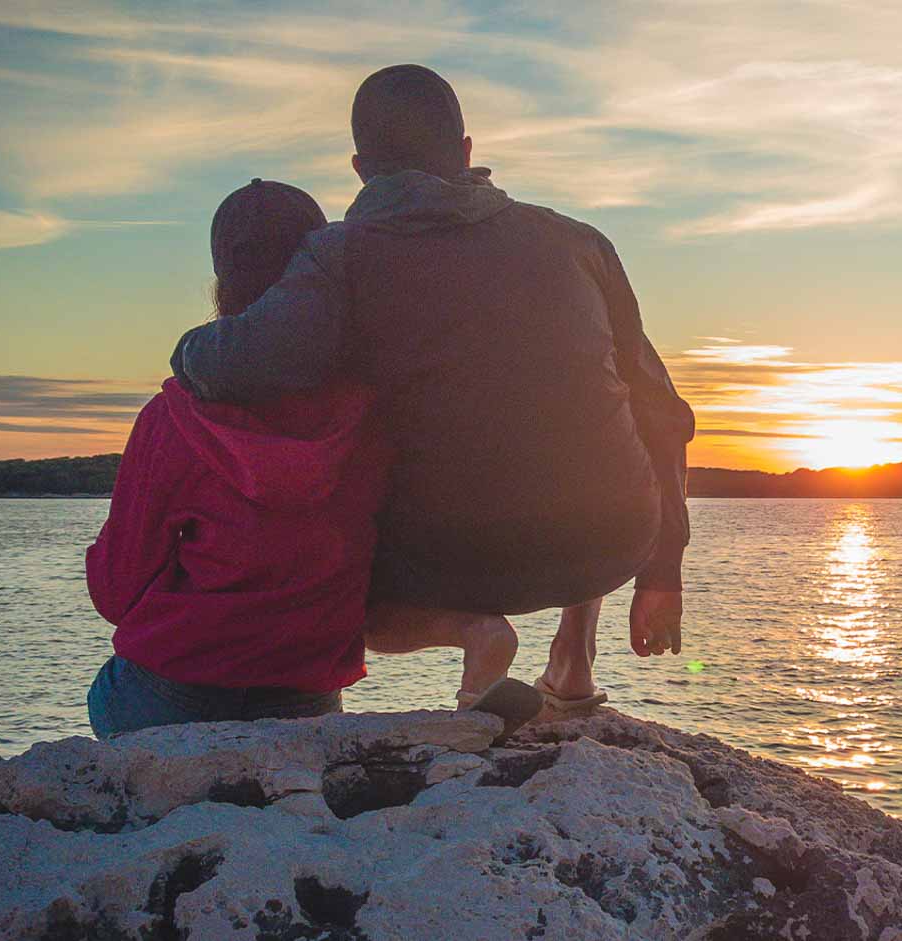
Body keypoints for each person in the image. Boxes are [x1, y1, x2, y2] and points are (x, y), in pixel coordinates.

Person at [169, 65, 694, 707]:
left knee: (326, 579)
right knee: (583, 407)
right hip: (611, 544)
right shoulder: (580, 243)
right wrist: (661, 573)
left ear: (361, 169)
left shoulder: (338, 255)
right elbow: (660, 413)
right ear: (468, 153)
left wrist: (186, 349)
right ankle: (574, 655)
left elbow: (250, 362)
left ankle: (475, 634)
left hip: (439, 563)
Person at [86, 179, 516, 738]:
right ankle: (476, 637)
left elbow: (118, 591)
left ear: (223, 280)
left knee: (109, 692)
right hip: (302, 695)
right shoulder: (372, 414)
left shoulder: (172, 417)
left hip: (173, 693)